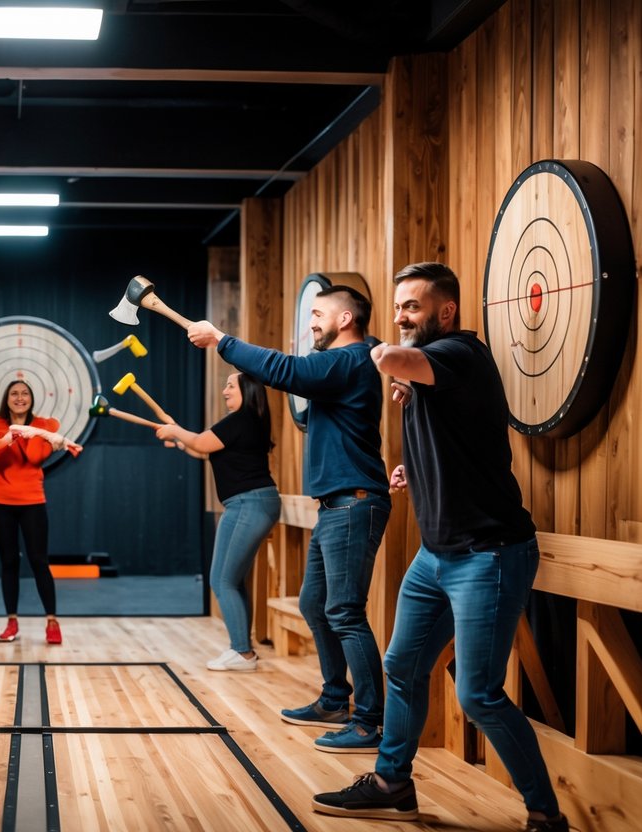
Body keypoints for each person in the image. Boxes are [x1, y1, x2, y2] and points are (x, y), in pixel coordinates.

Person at [312, 262, 568, 831]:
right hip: (436, 556)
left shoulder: (460, 353)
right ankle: (391, 781)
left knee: (478, 694)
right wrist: (413, 470)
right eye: (398, 305)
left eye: (412, 306)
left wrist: (365, 344)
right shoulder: (433, 372)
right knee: (402, 665)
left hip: (489, 554)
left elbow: (388, 359)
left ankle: (547, 814)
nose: (402, 315)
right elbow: (454, 437)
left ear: (445, 312)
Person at [187, 285, 391, 753]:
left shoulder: (349, 359)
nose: (312, 323)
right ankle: (335, 700)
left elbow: (285, 371)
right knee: (315, 606)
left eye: (318, 314)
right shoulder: (356, 359)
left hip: (353, 503)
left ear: (345, 319)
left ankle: (369, 722)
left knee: (344, 611)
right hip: (335, 505)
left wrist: (221, 339)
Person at [156, 372, 281, 672]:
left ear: (247, 391)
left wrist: (176, 432)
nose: (224, 390)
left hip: (247, 504)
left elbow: (200, 441)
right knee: (233, 579)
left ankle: (242, 652)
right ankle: (242, 649)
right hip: (254, 503)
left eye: (230, 385)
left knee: (221, 580)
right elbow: (204, 450)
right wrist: (180, 440)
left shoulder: (239, 419)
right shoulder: (249, 421)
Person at [0, 379, 80, 645]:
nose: (19, 397)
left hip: (31, 501)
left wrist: (29, 433)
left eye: (25, 393)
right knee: (9, 562)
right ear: (7, 398)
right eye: (14, 393)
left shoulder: (45, 426)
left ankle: (52, 622)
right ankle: (11, 622)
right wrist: (8, 437)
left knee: (39, 561)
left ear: (31, 398)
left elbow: (35, 458)